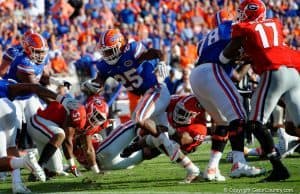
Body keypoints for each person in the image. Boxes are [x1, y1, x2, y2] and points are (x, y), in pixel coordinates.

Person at [86, 29, 199, 182]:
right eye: (104, 52)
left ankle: (169, 141)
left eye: (109, 51)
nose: (106, 55)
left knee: (138, 118)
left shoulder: (132, 50)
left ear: (119, 46)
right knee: (161, 141)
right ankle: (192, 169)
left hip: (156, 90)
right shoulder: (105, 65)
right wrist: (92, 85)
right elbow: (99, 81)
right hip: (148, 98)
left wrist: (162, 62)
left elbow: (156, 52)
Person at [219, 0, 300, 182]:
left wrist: (225, 58)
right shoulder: (275, 24)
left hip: (274, 72)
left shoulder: (243, 27)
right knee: (297, 126)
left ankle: (278, 168)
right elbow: (265, 46)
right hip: (293, 72)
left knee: (255, 123)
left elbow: (227, 54)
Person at [189, 9, 265, 181]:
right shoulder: (231, 27)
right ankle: (239, 163)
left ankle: (211, 168)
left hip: (198, 75)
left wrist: (245, 61)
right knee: (238, 114)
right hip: (212, 71)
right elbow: (225, 57)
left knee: (223, 121)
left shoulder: (205, 40)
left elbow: (234, 74)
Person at [0, 79, 78, 193]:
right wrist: (61, 99)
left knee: (2, 159)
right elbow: (35, 87)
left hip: (6, 108)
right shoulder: (5, 84)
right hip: (9, 108)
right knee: (11, 148)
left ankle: (24, 162)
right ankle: (17, 184)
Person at [26, 91, 108, 179]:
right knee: (60, 135)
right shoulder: (79, 111)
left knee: (56, 169)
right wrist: (72, 166)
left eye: (100, 118)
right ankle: (38, 167)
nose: (96, 120)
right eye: (97, 115)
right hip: (39, 121)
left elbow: (88, 149)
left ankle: (37, 172)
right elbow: (67, 140)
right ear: (89, 108)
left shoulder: (90, 124)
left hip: (49, 133)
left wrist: (96, 171)